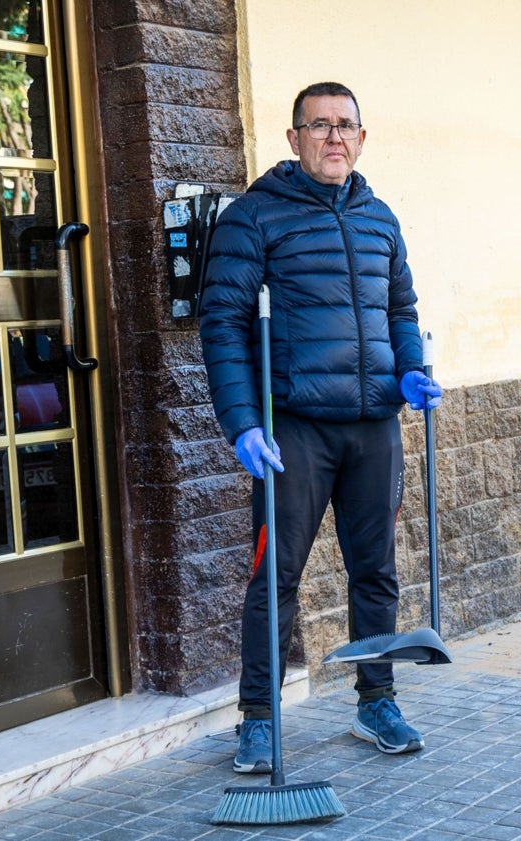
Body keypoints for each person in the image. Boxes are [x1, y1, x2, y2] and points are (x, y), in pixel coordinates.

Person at [199, 81, 442, 774]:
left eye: (345, 126)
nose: (333, 137)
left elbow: (399, 309)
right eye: (319, 126)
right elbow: (223, 325)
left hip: (373, 428)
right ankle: (258, 717)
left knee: (376, 573)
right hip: (293, 430)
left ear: (361, 139)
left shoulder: (380, 219)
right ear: (294, 138)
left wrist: (410, 370)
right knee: (273, 576)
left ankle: (376, 700)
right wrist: (242, 422)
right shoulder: (254, 219)